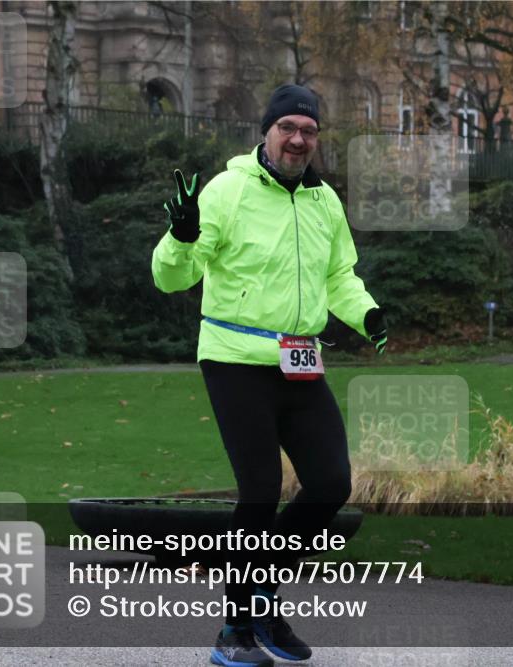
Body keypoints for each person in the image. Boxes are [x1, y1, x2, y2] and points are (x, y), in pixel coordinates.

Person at [151, 83, 387, 667]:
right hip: (235, 360)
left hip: (300, 361)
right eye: (288, 128)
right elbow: (171, 278)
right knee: (259, 491)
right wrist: (180, 239)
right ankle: (234, 630)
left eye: (309, 130)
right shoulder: (228, 191)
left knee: (331, 485)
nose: (299, 139)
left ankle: (260, 592)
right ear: (266, 131)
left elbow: (341, 278)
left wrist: (367, 313)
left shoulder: (324, 201)